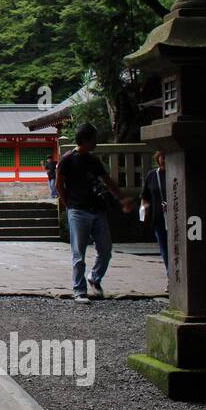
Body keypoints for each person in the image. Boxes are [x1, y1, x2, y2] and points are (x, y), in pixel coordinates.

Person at [55, 124, 133, 303]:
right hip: (77, 209)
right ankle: (79, 290)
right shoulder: (67, 159)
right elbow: (60, 185)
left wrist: (122, 198)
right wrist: (69, 204)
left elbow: (108, 181)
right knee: (78, 253)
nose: (96, 142)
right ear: (85, 139)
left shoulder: (93, 160)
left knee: (105, 249)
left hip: (97, 209)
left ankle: (95, 278)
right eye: (94, 139)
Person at [140, 150, 169, 275]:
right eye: (163, 157)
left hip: (176, 218)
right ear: (158, 158)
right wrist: (145, 207)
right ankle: (171, 277)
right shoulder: (152, 175)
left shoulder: (178, 172)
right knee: (165, 250)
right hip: (158, 218)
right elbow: (145, 196)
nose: (165, 160)